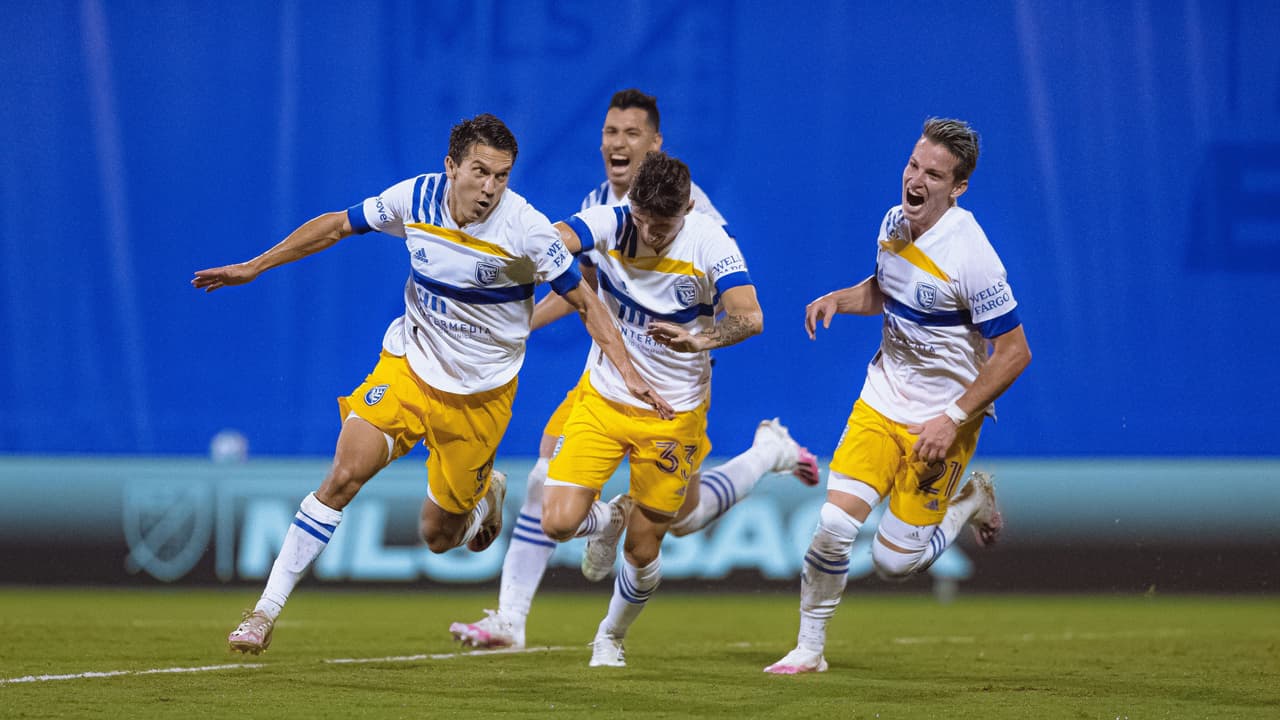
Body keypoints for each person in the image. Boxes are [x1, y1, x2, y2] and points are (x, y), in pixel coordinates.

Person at [192, 113, 672, 655]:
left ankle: (483, 500)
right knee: (345, 474)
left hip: (480, 398)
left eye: (502, 176)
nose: (490, 188)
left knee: (439, 538)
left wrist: (630, 372)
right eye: (479, 171)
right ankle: (263, 612)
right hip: (409, 367)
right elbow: (334, 226)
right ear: (450, 167)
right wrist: (255, 266)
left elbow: (587, 302)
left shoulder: (528, 231)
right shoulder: (415, 199)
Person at [450, 91, 817, 652]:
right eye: (609, 132)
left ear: (654, 145)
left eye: (630, 133)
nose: (617, 143)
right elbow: (580, 276)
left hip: (676, 390)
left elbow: (738, 309)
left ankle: (767, 452)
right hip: (609, 377)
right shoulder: (603, 206)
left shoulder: (703, 224)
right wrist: (515, 315)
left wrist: (694, 340)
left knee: (678, 521)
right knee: (545, 483)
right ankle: (510, 619)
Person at [764, 118, 1032, 674]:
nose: (916, 179)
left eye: (933, 174)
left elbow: (1013, 353)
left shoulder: (972, 255)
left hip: (943, 421)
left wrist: (954, 417)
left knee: (891, 563)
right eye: (913, 165)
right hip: (881, 400)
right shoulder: (894, 222)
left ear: (957, 188)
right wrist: (840, 298)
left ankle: (968, 500)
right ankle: (809, 649)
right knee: (834, 527)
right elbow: (889, 291)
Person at [539, 150, 765, 668]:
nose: (649, 234)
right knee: (556, 521)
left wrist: (698, 339)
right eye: (642, 220)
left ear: (685, 210)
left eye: (661, 226)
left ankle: (609, 637)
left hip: (674, 412)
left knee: (643, 550)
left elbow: (750, 317)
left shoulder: (709, 240)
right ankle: (609, 516)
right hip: (606, 396)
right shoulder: (615, 221)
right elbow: (555, 239)